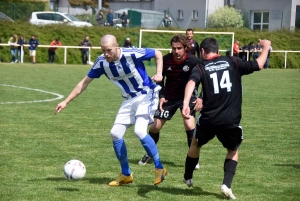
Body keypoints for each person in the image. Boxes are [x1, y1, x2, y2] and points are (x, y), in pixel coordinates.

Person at [55, 34, 167, 186]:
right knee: (115, 133)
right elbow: (84, 82)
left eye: (109, 50)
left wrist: (159, 73)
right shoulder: (101, 62)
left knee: (140, 131)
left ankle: (159, 168)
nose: (106, 54)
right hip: (129, 99)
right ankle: (126, 174)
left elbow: (158, 53)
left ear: (116, 46)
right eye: (103, 50)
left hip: (147, 94)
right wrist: (66, 101)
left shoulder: (131, 53)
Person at [181, 38, 271, 199]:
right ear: (218, 50)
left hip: (209, 119)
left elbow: (191, 83)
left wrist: (186, 103)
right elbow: (258, 64)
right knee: (233, 150)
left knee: (195, 143)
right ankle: (226, 185)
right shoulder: (232, 61)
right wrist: (266, 47)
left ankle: (188, 176)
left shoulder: (201, 67)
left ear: (202, 51)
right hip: (230, 119)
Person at [138, 34, 202, 170]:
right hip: (169, 98)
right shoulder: (166, 60)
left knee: (189, 125)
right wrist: (161, 96)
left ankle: (194, 158)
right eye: (174, 48)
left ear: (185, 48)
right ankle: (150, 153)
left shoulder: (194, 61)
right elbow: (161, 81)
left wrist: (201, 97)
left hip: (187, 98)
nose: (176, 51)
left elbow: (205, 80)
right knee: (155, 127)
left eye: (179, 48)